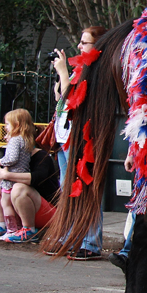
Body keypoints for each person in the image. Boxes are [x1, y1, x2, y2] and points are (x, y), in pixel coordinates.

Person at [52, 26, 108, 260]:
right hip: (65, 137)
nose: (80, 46)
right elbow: (62, 100)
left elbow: (75, 99)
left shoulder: (97, 70)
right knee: (68, 191)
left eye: (85, 43)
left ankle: (91, 243)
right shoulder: (80, 68)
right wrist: (62, 76)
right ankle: (69, 237)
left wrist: (64, 74)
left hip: (83, 138)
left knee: (86, 190)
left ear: (97, 46)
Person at [0, 109, 36, 239]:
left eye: (8, 124)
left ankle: (10, 230)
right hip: (20, 176)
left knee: (6, 204)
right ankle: (17, 229)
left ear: (17, 125)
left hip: (11, 177)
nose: (6, 127)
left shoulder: (15, 140)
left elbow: (12, 158)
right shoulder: (26, 139)